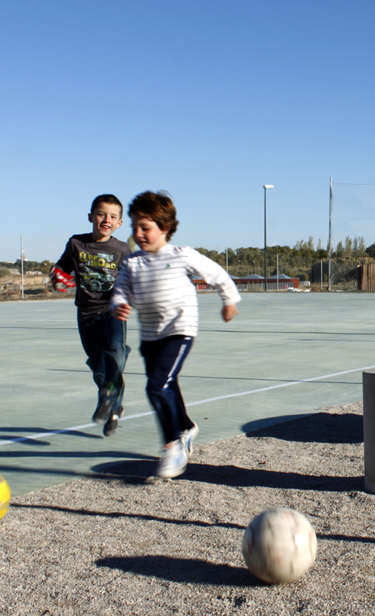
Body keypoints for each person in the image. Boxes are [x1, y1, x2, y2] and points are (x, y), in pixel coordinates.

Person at [111, 191, 240, 479]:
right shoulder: (132, 263)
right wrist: (119, 303)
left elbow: (217, 274)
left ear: (165, 227)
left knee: (156, 386)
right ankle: (185, 426)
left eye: (145, 227)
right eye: (134, 227)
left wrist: (229, 300)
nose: (138, 234)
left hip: (180, 330)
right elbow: (121, 290)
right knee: (167, 384)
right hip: (150, 335)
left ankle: (173, 446)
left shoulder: (181, 255)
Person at [53, 194, 132, 437]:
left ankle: (108, 394)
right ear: (91, 217)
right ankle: (115, 408)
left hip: (113, 312)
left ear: (119, 223)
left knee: (115, 353)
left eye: (113, 216)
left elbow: (131, 279)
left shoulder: (122, 249)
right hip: (86, 314)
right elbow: (61, 267)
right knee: (100, 369)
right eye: (101, 214)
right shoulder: (76, 243)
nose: (106, 219)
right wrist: (57, 277)